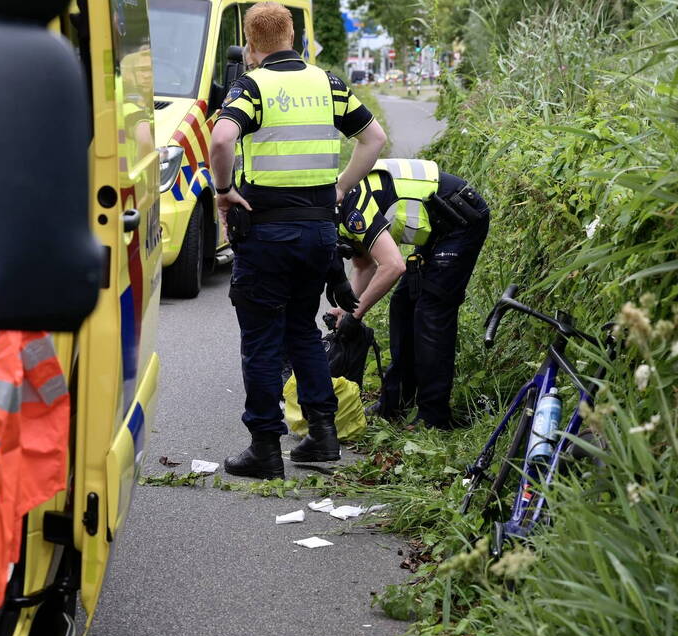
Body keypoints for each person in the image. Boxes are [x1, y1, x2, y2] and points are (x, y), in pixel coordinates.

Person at [209, 2, 386, 480]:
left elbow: (222, 140)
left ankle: (265, 448)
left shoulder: (252, 86)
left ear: (251, 45)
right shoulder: (329, 84)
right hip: (317, 233)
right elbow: (374, 138)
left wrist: (224, 193)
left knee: (262, 338)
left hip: (267, 232)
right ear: (295, 38)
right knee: (302, 330)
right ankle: (322, 436)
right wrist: (342, 186)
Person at [328, 159, 490, 430]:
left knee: (431, 313)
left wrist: (355, 316)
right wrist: (346, 308)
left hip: (462, 220)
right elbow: (364, 265)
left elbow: (392, 266)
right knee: (402, 306)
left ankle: (434, 417)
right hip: (438, 227)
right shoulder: (335, 208)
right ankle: (394, 404)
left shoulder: (351, 206)